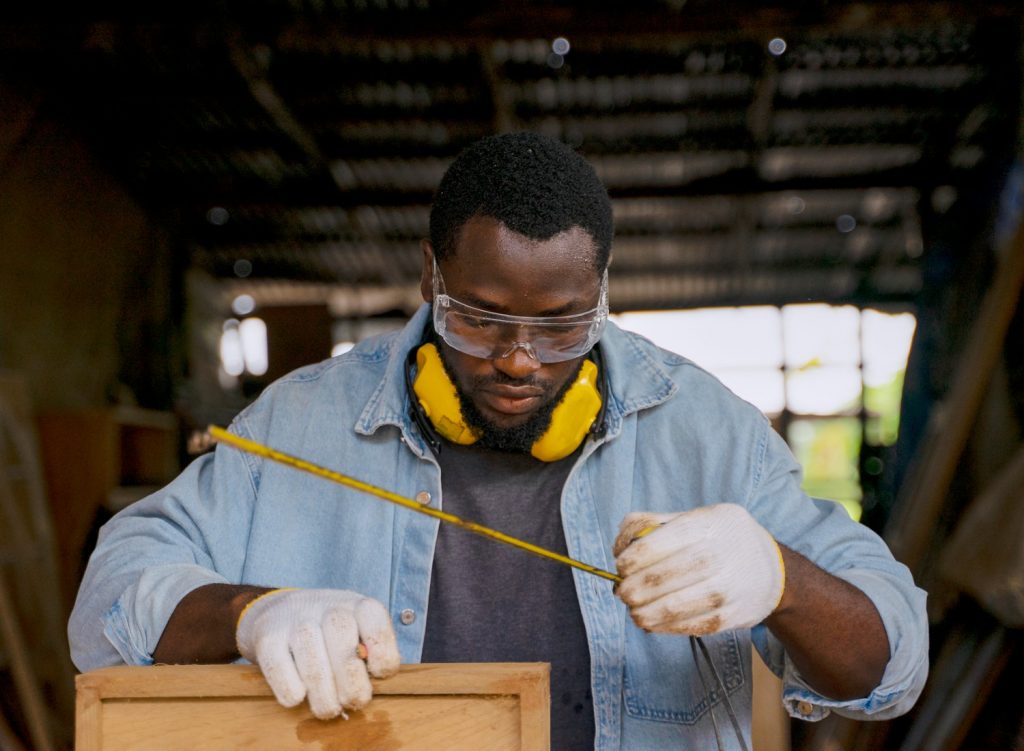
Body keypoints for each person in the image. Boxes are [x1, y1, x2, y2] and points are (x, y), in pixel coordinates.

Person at [69, 131, 928, 749]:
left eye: (561, 327)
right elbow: (106, 604)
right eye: (479, 319)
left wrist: (782, 577)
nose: (519, 360)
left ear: (600, 295)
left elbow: (892, 669)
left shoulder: (707, 432)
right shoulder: (299, 422)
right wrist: (250, 613)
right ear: (430, 277)